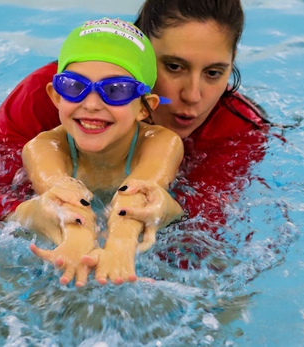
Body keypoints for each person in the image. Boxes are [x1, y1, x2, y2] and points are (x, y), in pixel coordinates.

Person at [0, 0, 271, 271]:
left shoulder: (237, 129)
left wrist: (138, 228)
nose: (192, 96)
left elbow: (202, 238)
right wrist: (34, 216)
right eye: (173, 66)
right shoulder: (46, 99)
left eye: (214, 73)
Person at [10, 18, 184, 287]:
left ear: (143, 107)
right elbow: (63, 196)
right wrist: (78, 238)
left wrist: (122, 244)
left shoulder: (161, 142)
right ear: (56, 96)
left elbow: (141, 192)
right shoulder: (43, 147)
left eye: (116, 90)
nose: (91, 104)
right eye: (74, 86)